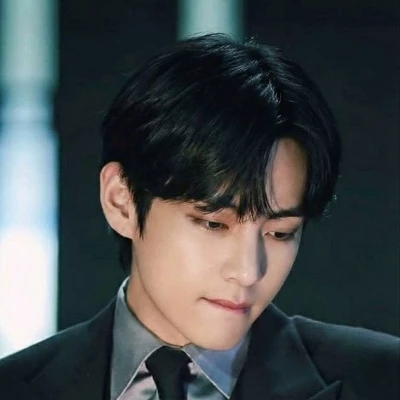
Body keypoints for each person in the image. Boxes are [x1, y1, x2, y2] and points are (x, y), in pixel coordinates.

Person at [0, 33, 398, 400]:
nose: (248, 272)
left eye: (280, 233)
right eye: (213, 224)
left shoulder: (381, 380)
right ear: (121, 201)